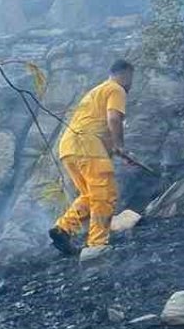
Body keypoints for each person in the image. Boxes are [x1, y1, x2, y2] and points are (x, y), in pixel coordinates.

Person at [49, 59, 134, 259]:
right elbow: (113, 119)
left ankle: (63, 229)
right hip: (87, 146)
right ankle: (97, 245)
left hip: (69, 147)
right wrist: (120, 145)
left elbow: (98, 127)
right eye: (131, 78)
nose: (131, 84)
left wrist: (115, 150)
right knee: (104, 195)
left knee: (90, 194)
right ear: (125, 74)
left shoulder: (96, 92)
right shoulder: (116, 89)